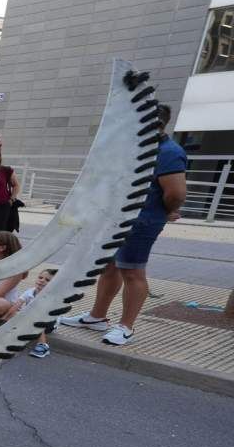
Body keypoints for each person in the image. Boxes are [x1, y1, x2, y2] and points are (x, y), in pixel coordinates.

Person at [59, 104, 188, 346]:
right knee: (109, 267)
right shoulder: (136, 148)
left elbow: (177, 192)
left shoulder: (169, 152)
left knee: (132, 271)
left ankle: (126, 326)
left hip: (142, 221)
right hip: (116, 219)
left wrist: (162, 211)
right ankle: (97, 317)